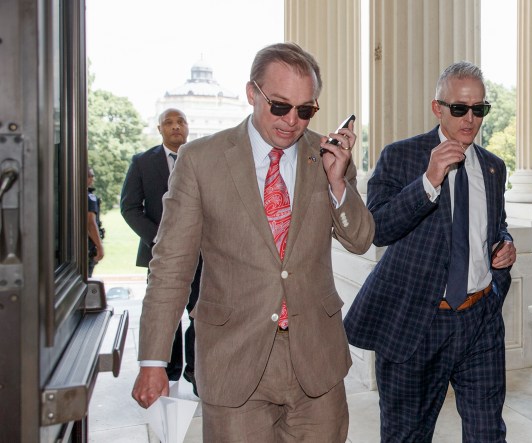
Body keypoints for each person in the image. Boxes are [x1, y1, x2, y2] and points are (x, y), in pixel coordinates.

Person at [131, 42, 375, 442]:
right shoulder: (200, 160)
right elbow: (171, 265)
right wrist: (154, 359)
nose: (292, 121)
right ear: (252, 93)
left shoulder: (327, 156)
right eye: (279, 106)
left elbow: (361, 239)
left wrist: (337, 183)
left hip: (316, 362)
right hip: (233, 361)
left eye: (306, 109)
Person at [344, 61, 518, 442]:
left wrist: (504, 246)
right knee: (407, 435)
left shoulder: (493, 167)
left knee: (488, 432)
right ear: (437, 108)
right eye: (459, 108)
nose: (470, 119)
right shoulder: (400, 156)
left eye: (479, 109)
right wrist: (428, 181)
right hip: (417, 323)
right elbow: (379, 229)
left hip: (480, 318)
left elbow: (494, 224)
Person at [120, 108, 203, 395]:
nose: (176, 126)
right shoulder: (143, 162)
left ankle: (196, 370)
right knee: (165, 312)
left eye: (181, 121)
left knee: (200, 314)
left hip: (202, 257)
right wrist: (161, 240)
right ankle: (167, 372)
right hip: (160, 255)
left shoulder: (201, 158)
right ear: (160, 130)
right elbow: (129, 208)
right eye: (169, 122)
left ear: (188, 126)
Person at [86, 167, 104, 278]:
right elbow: (90, 222)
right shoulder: (89, 197)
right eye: (89, 175)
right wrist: (99, 246)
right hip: (88, 248)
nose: (92, 178)